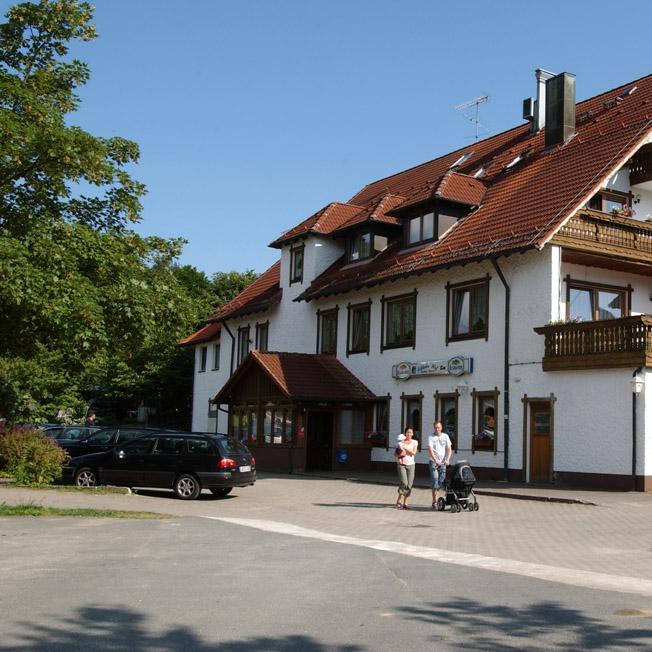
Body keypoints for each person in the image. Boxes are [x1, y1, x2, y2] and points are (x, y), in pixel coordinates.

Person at [428, 420, 452, 509]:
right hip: (433, 462)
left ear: (441, 428)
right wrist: (435, 460)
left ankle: (437, 494)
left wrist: (447, 459)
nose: (437, 429)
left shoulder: (445, 436)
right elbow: (430, 449)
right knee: (435, 479)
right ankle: (434, 501)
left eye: (438, 427)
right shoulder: (431, 437)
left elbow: (449, 449)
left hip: (443, 463)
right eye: (435, 427)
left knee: (441, 480)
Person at [395, 428, 418, 510]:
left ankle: (405, 502)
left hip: (411, 465)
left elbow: (413, 453)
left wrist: (405, 448)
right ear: (405, 433)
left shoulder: (415, 442)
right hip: (402, 465)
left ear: (412, 434)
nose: (409, 434)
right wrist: (399, 459)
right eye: (407, 432)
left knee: (409, 484)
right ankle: (399, 499)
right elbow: (396, 453)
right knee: (404, 482)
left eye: (410, 432)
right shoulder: (400, 442)